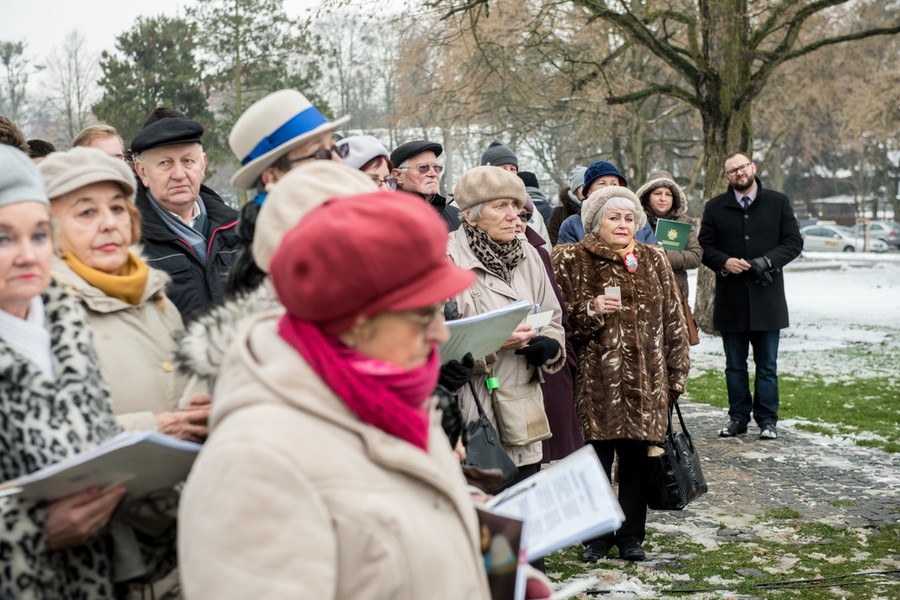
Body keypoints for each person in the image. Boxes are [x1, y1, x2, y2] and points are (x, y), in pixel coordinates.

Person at [178, 190, 490, 599]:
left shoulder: (397, 402)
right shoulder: (254, 463)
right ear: (354, 320)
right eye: (421, 312)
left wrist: (499, 577)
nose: (440, 333)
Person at [0, 145, 174, 599]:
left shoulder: (63, 324)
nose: (27, 255)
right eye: (4, 239)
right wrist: (32, 531)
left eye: (39, 235)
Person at [552, 185, 691, 563]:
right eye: (613, 217)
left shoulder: (653, 258)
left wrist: (676, 374)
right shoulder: (571, 259)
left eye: (630, 218)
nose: (622, 224)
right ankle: (595, 538)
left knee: (636, 461)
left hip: (646, 381)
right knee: (594, 461)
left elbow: (674, 320)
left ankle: (631, 536)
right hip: (593, 382)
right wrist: (591, 309)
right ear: (595, 222)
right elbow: (558, 320)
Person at [39, 146, 210, 440]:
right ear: (49, 230)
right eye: (87, 212)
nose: (109, 224)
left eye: (118, 209)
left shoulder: (157, 298)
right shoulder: (40, 312)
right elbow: (37, 439)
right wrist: (156, 429)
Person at [446, 165, 566, 482]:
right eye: (500, 206)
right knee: (482, 504)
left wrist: (550, 344)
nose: (514, 215)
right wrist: (496, 342)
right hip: (472, 410)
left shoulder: (528, 254)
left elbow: (552, 315)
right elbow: (437, 343)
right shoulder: (445, 259)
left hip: (523, 409)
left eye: (515, 205)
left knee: (523, 501)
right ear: (470, 215)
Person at [698, 152, 803, 440]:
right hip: (731, 301)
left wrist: (767, 261)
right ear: (726, 176)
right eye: (732, 170)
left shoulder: (778, 202)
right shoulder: (714, 207)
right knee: (734, 366)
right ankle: (738, 418)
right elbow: (704, 247)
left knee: (767, 366)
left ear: (752, 167)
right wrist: (724, 261)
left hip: (768, 301)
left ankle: (768, 420)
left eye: (742, 167)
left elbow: (794, 242)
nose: (739, 173)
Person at [226, 89, 350, 297]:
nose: (339, 163)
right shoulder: (263, 273)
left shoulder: (347, 225)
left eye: (337, 149)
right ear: (272, 177)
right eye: (320, 153)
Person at [131, 116, 240, 321]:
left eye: (188, 161)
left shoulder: (237, 230)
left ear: (202, 165)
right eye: (165, 163)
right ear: (142, 172)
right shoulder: (129, 241)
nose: (179, 174)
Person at [514, 197, 585, 464]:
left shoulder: (539, 253)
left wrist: (558, 347)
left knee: (558, 451)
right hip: (507, 366)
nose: (517, 222)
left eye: (523, 216)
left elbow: (557, 311)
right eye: (509, 213)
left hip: (548, 360)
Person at [636, 170, 703, 302]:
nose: (663, 198)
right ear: (647, 196)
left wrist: (662, 254)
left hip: (675, 295)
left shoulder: (684, 222)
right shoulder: (636, 221)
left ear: (674, 198)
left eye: (668, 194)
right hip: (642, 294)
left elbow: (695, 256)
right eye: (657, 193)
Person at [557, 160, 657, 245]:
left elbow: (654, 256)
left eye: (614, 184)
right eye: (602, 183)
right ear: (588, 191)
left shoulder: (640, 221)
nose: (609, 188)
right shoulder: (572, 225)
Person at [391, 139, 459, 231]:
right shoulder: (384, 218)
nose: (433, 173)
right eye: (423, 167)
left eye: (436, 167)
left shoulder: (457, 216)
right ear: (398, 175)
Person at [548, 165, 586, 245]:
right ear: (575, 189)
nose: (587, 190)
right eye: (583, 186)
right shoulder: (559, 213)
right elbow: (553, 242)